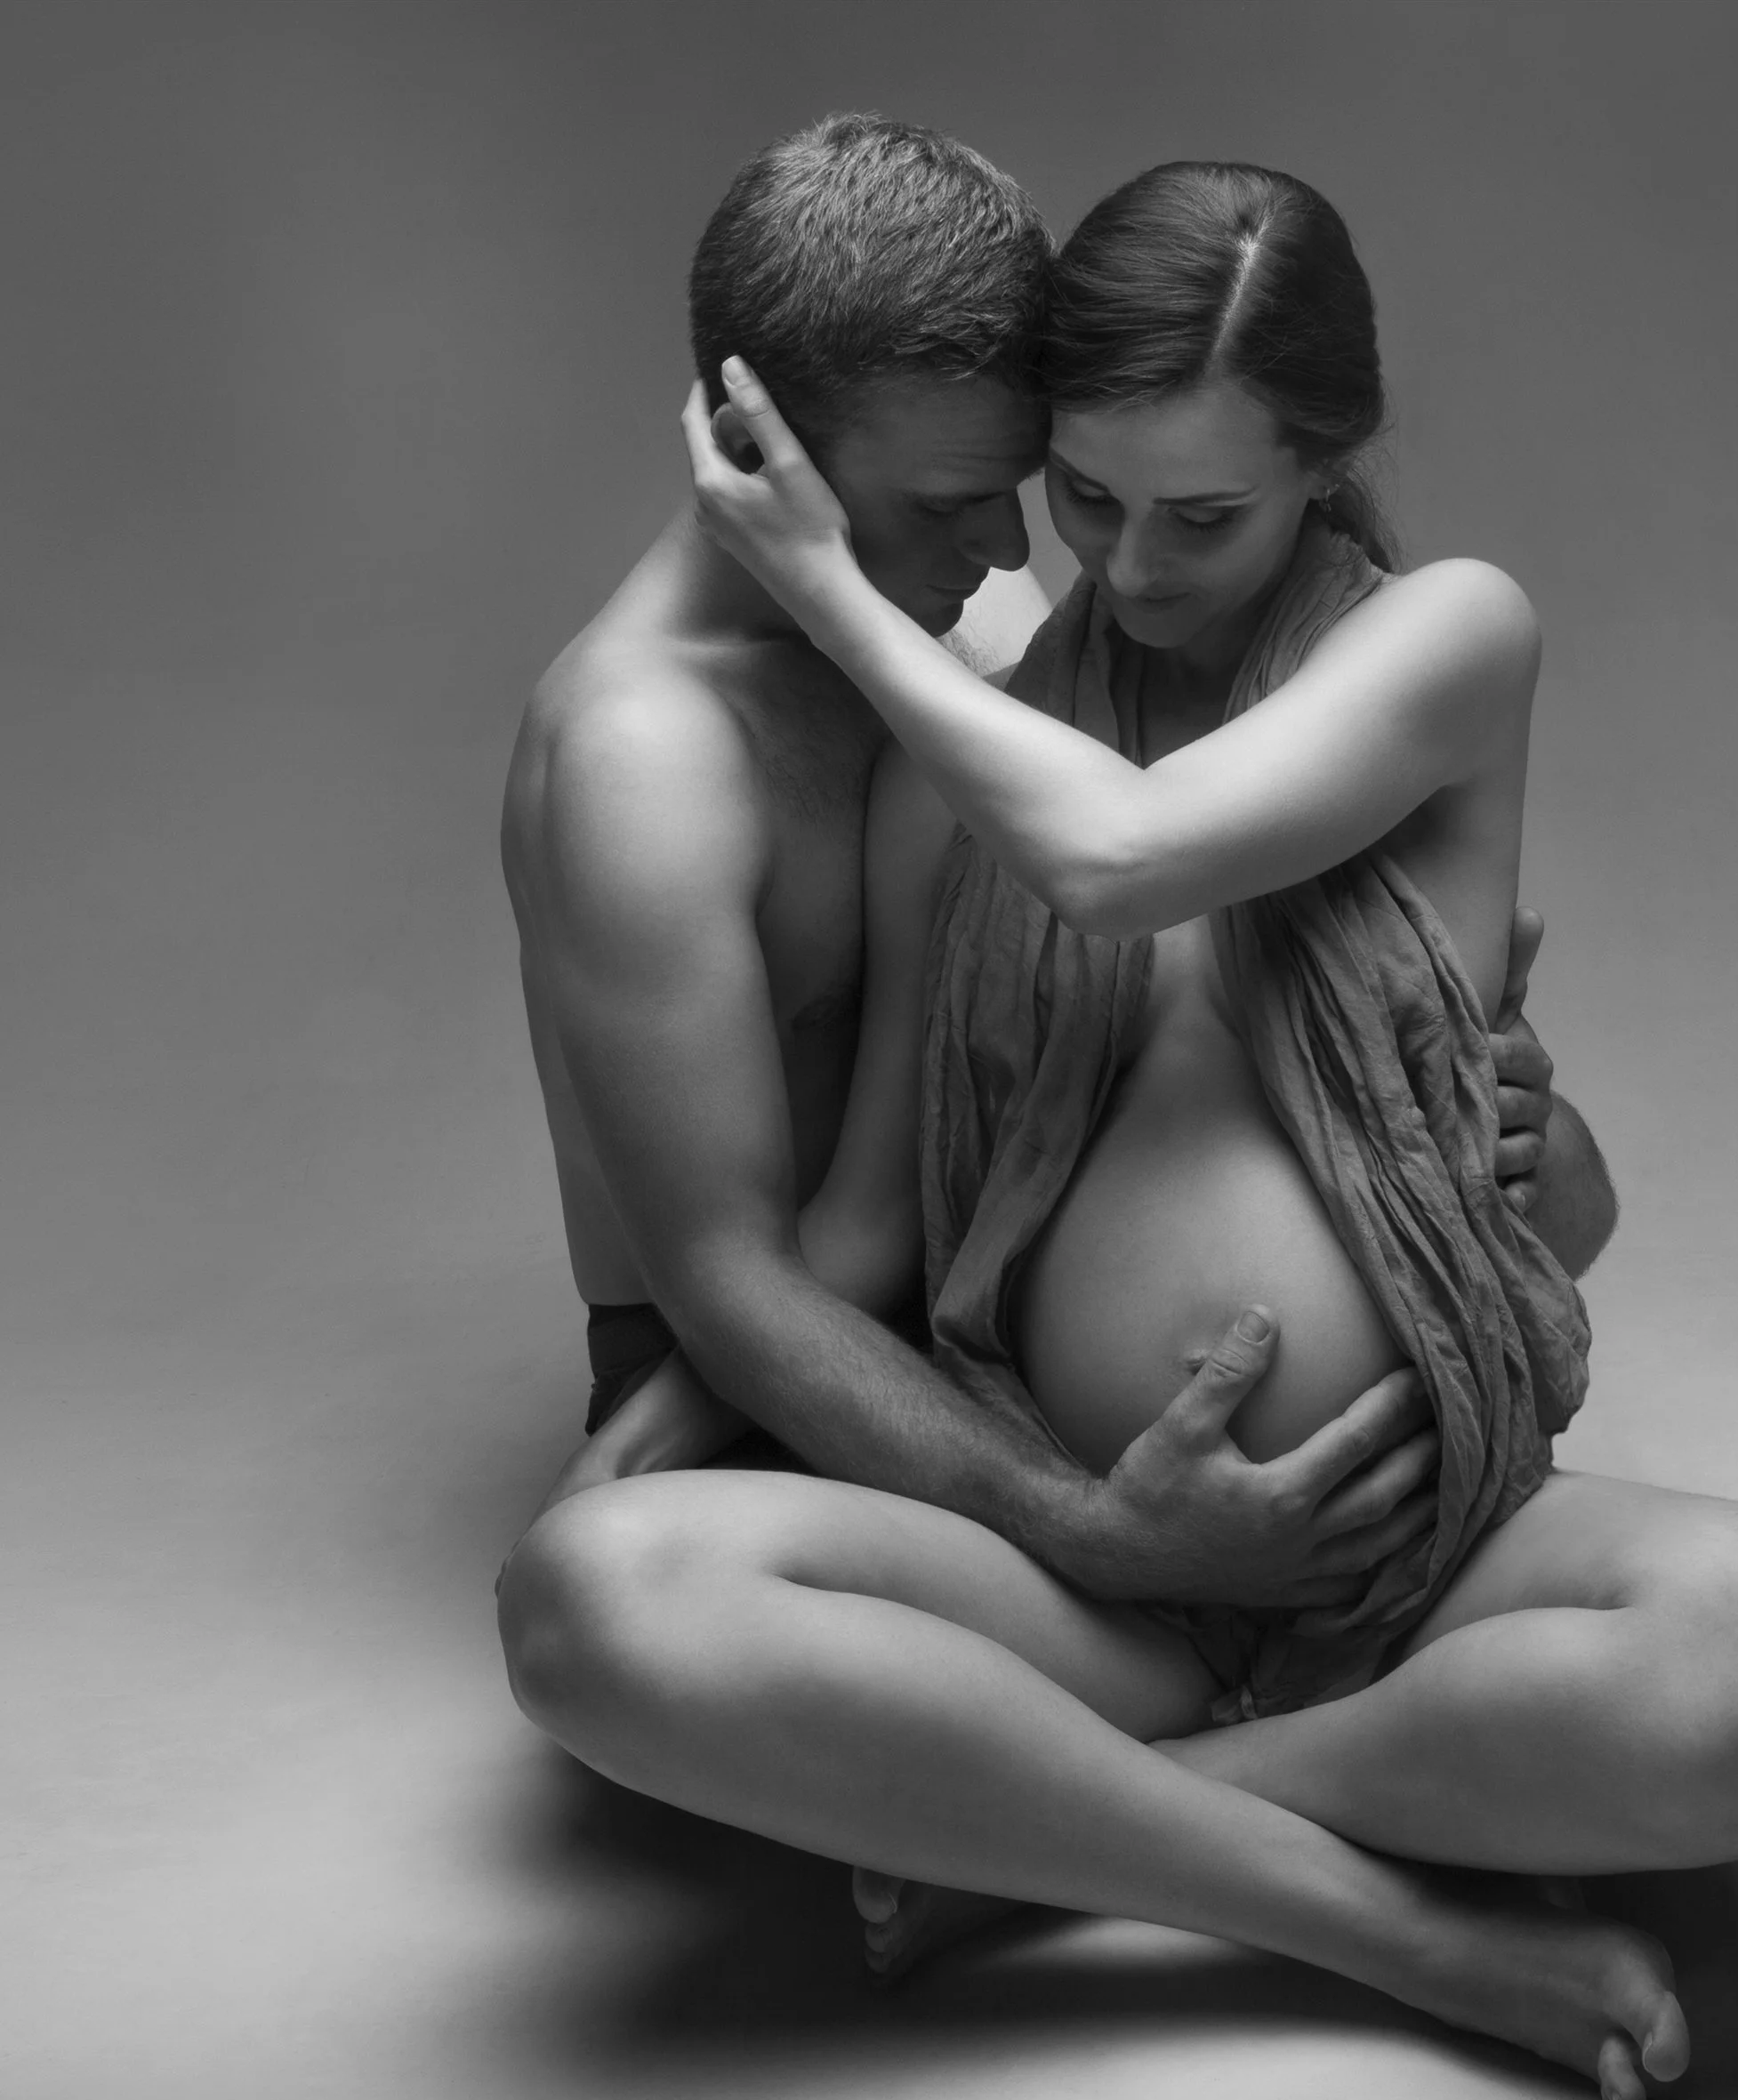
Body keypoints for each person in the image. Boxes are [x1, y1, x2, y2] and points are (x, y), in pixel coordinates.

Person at [498, 159, 1738, 2100]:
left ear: (1320, 461)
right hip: (1080, 1568)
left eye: (1203, 514)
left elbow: (1128, 859)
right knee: (596, 1598)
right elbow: (854, 1224)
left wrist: (827, 588)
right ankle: (1393, 1921)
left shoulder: (1439, 641)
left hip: (1417, 1546)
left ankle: (1042, 1830)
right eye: (1083, 499)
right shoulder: (968, 764)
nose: (1127, 562)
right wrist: (678, 1410)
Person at [502, 116, 1601, 1601]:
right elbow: (753, 1278)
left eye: (1034, 483)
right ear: (755, 453)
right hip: (806, 1397)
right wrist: (1098, 1532)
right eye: (952, 506)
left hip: (1034, 1395)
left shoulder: (1006, 664)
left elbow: (1220, 1027)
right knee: (618, 1601)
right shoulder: (650, 749)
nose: (1019, 548)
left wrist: (1496, 1119)